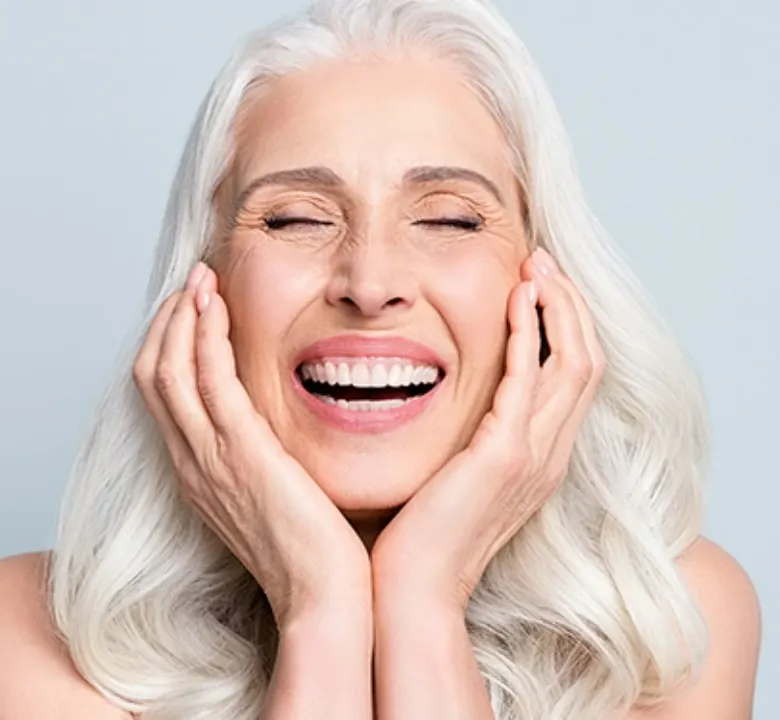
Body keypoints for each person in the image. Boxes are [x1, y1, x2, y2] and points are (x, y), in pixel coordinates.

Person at [0, 0, 762, 718]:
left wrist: (422, 596)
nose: (370, 284)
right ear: (207, 282)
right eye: (297, 217)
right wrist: (320, 607)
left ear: (544, 283)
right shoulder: (30, 639)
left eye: (448, 218)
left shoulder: (669, 623)